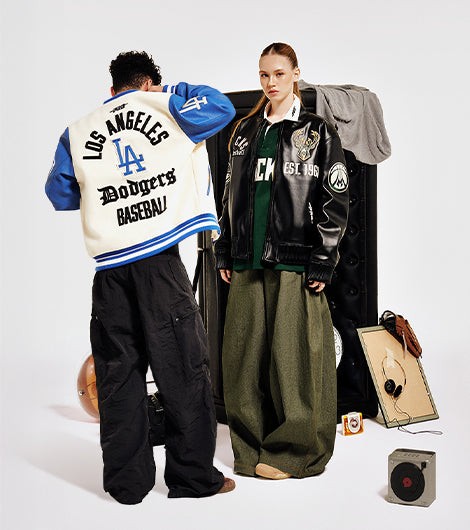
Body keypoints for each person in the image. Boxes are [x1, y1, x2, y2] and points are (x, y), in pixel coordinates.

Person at [45, 51, 236, 503]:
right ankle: (192, 479)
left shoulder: (78, 131)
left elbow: (59, 194)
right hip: (159, 266)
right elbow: (220, 107)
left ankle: (127, 486)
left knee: (118, 377)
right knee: (183, 370)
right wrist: (166, 95)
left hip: (110, 272)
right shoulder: (168, 110)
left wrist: (108, 190)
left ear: (111, 90)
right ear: (149, 84)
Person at [214, 43, 349, 480]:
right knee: (242, 362)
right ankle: (249, 448)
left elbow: (335, 201)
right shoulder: (245, 130)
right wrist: (224, 248)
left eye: (278, 73)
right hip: (247, 260)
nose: (270, 82)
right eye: (263, 75)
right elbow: (229, 196)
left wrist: (323, 259)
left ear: (295, 74)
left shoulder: (317, 131)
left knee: (295, 363)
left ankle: (293, 454)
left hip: (293, 260)